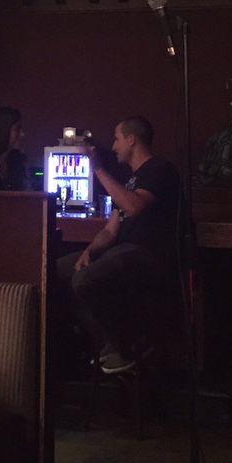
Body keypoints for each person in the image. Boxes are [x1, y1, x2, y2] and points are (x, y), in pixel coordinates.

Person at [57, 115, 182, 375]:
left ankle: (132, 344)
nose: (113, 146)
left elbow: (134, 206)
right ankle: (103, 345)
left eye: (117, 139)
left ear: (131, 139)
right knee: (57, 271)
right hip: (122, 252)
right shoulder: (129, 181)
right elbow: (109, 229)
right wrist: (89, 251)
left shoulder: (160, 168)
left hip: (149, 254)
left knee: (85, 279)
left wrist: (97, 168)